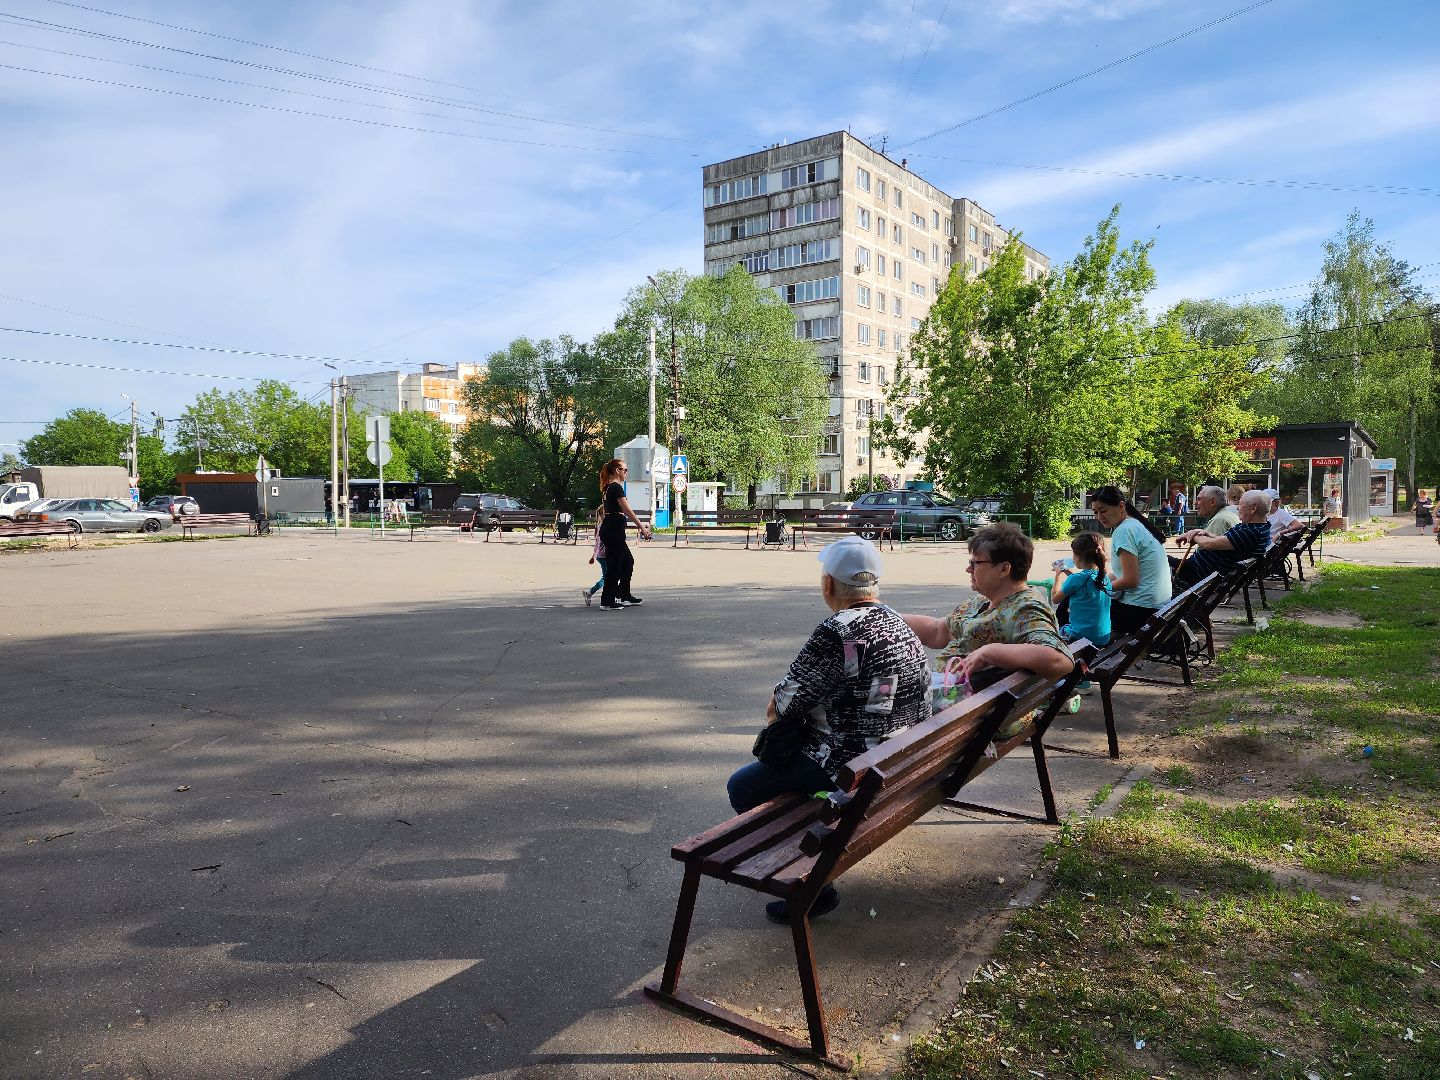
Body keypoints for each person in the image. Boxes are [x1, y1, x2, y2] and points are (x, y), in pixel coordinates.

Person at [727, 535, 929, 924]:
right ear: (874, 584)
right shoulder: (899, 623)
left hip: (847, 766)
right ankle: (814, 846)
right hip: (898, 758)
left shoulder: (837, 631)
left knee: (744, 786)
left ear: (828, 585)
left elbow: (783, 704)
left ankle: (813, 883)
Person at [902, 522, 1074, 694]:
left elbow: (1060, 660)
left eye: (976, 562)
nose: (968, 569)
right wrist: (885, 616)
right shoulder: (983, 600)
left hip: (965, 711)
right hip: (955, 702)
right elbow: (938, 631)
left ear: (1004, 569)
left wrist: (990, 652)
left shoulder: (1026, 609)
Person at [1089, 486, 1172, 637]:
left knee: (1072, 607)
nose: (1099, 517)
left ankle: (1072, 656)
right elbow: (1123, 573)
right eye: (1095, 512)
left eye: (1103, 511)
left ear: (1121, 506)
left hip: (1140, 612)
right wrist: (1098, 581)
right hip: (1155, 609)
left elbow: (1130, 580)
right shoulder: (1134, 525)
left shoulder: (1124, 531)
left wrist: (1096, 589)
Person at [1174, 488, 1272, 589]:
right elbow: (1227, 541)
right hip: (1206, 572)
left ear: (1253, 508)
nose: (1238, 508)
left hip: (1200, 574)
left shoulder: (1251, 532)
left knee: (1163, 562)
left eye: (1241, 504)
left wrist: (1192, 535)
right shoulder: (1258, 528)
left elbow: (1208, 544)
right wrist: (1206, 533)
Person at [597, 459, 651, 610]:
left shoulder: (608, 487)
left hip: (611, 528)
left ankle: (624, 595)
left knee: (627, 561)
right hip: (614, 530)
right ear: (617, 471)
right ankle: (607, 601)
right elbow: (627, 510)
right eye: (625, 470)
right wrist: (642, 528)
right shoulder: (615, 487)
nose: (626, 473)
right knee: (615, 566)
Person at [1050, 532, 1112, 649]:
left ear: (1078, 556)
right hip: (1102, 638)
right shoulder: (1103, 576)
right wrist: (1067, 572)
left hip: (1081, 637)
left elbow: (1055, 598)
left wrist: (1058, 574)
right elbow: (1081, 583)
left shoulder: (1076, 579)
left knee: (1050, 634)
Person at [581, 508, 606, 607]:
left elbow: (596, 543)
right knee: (607, 577)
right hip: (604, 555)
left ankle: (615, 595)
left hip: (600, 555)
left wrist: (593, 555)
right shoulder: (603, 526)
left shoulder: (599, 526)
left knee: (608, 576)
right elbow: (599, 543)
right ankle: (590, 592)